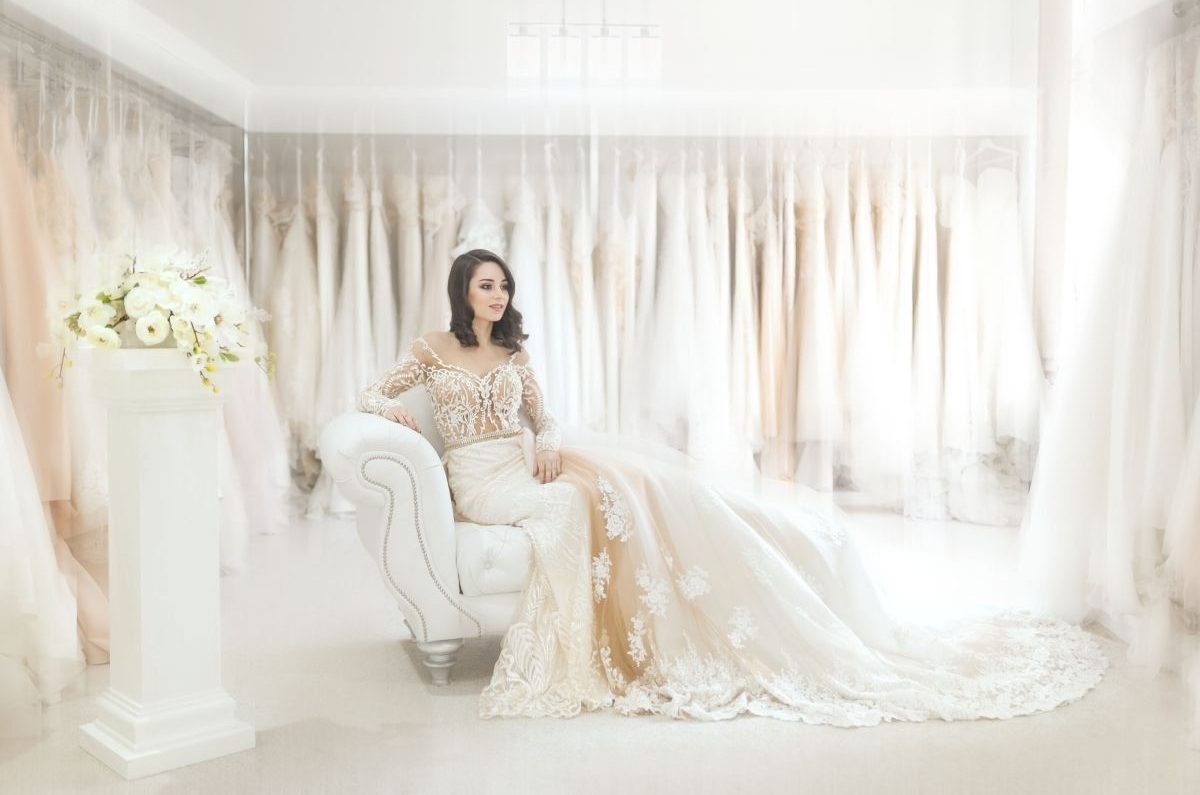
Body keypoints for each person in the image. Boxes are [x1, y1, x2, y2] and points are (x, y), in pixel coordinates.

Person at [359, 249, 1107, 723]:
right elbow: (372, 389)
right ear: (463, 289)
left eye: (504, 285)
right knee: (569, 505)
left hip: (527, 460)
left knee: (634, 484)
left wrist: (549, 437)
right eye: (487, 284)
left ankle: (730, 576)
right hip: (482, 481)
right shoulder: (430, 349)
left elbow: (544, 417)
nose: (498, 294)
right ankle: (575, 653)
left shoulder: (517, 353)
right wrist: (389, 405)